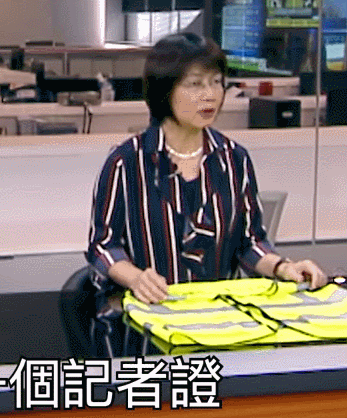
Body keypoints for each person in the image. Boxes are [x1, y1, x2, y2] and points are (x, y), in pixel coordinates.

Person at [85, 32, 327, 358]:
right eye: (195, 84)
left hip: (222, 331)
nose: (210, 94)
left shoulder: (233, 159)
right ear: (164, 90)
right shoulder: (127, 162)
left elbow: (249, 242)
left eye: (216, 82)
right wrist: (136, 278)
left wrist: (284, 267)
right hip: (149, 332)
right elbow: (103, 245)